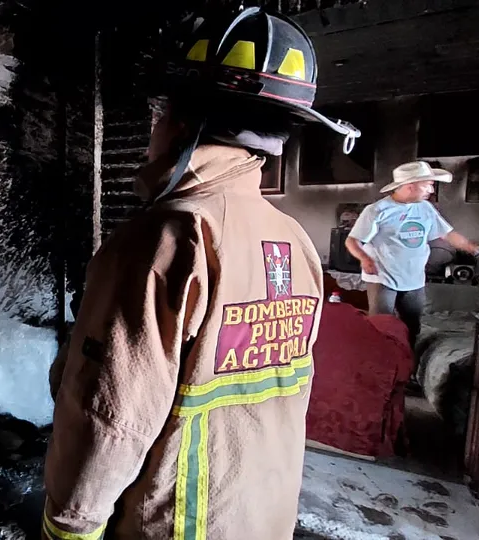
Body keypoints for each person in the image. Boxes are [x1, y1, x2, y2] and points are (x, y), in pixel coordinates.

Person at [43, 7, 361, 539]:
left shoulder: (166, 240)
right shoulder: (295, 241)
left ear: (182, 122)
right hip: (263, 517)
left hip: (179, 523)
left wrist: (69, 524)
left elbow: (112, 416)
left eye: (160, 113)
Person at [344, 161, 479, 347]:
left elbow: (448, 234)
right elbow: (352, 241)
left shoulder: (425, 208)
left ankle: (410, 367)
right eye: (428, 185)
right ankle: (381, 368)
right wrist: (365, 259)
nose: (432, 190)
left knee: (413, 327)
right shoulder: (377, 211)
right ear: (411, 186)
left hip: (414, 279)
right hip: (383, 278)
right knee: (381, 327)